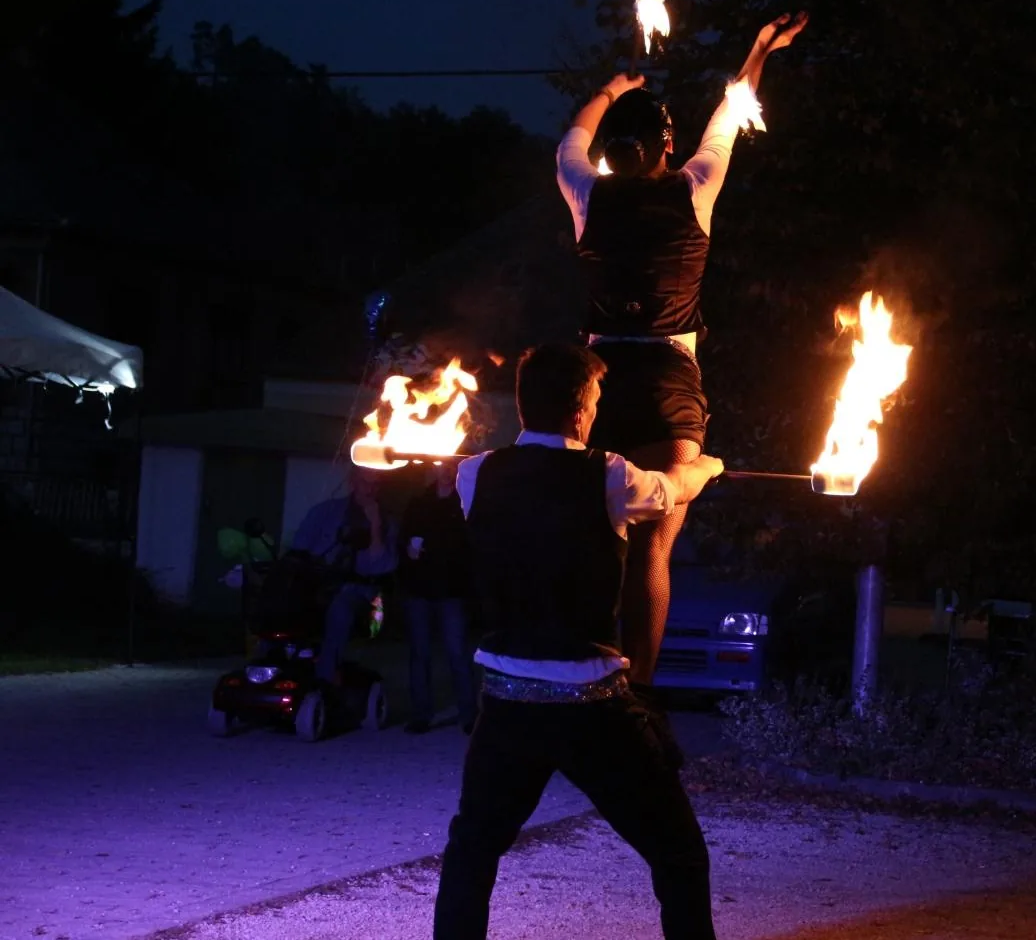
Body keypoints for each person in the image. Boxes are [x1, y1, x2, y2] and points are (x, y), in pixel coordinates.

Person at [433, 344, 724, 940]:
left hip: (507, 707)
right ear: (580, 410)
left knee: (472, 854)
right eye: (593, 400)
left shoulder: (474, 473)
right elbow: (675, 487)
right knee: (679, 855)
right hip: (592, 708)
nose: (594, 411)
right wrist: (711, 467)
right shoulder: (611, 474)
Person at [554, 11, 808, 691]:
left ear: (614, 148)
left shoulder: (582, 190)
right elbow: (733, 108)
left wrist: (609, 87)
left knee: (600, 538)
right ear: (667, 146)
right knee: (653, 546)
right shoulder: (695, 188)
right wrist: (759, 47)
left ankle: (586, 676)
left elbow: (570, 139)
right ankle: (634, 695)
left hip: (598, 382)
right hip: (668, 378)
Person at [287, 469, 398, 686]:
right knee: (285, 603)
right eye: (366, 483)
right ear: (353, 483)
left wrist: (375, 526)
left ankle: (324, 681)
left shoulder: (386, 521)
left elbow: (380, 566)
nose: (371, 490)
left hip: (364, 593)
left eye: (376, 485)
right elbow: (299, 548)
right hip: (321, 582)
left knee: (341, 608)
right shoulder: (326, 512)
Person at [399, 459, 479, 735]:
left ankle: (469, 715)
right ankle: (421, 714)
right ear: (431, 469)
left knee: (457, 653)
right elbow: (403, 539)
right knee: (419, 654)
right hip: (419, 590)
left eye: (450, 467)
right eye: (439, 466)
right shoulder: (419, 502)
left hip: (452, 591)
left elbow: (472, 545)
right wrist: (409, 551)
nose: (445, 471)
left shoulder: (464, 504)